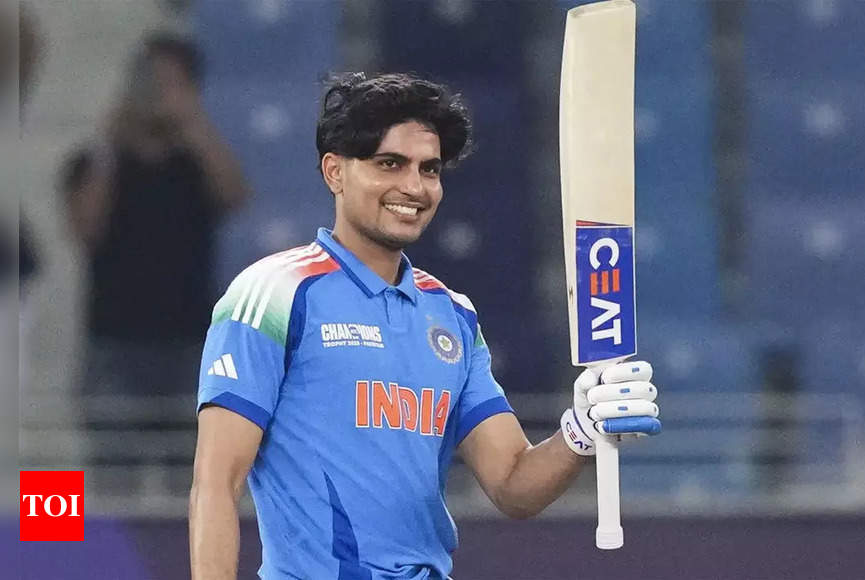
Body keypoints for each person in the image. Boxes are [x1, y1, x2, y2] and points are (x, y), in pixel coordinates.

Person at [188, 72, 662, 580]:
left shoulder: (452, 315)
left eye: (429, 169)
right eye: (389, 163)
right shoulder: (273, 294)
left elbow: (512, 484)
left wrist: (581, 431)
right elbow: (216, 484)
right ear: (335, 171)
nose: (414, 187)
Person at [64, 32, 247, 408]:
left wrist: (193, 124)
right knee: (111, 445)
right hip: (113, 340)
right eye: (150, 80)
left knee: (196, 446)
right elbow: (85, 228)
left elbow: (235, 196)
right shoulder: (98, 162)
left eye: (171, 83)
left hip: (190, 339)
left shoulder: (196, 163)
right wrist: (109, 141)